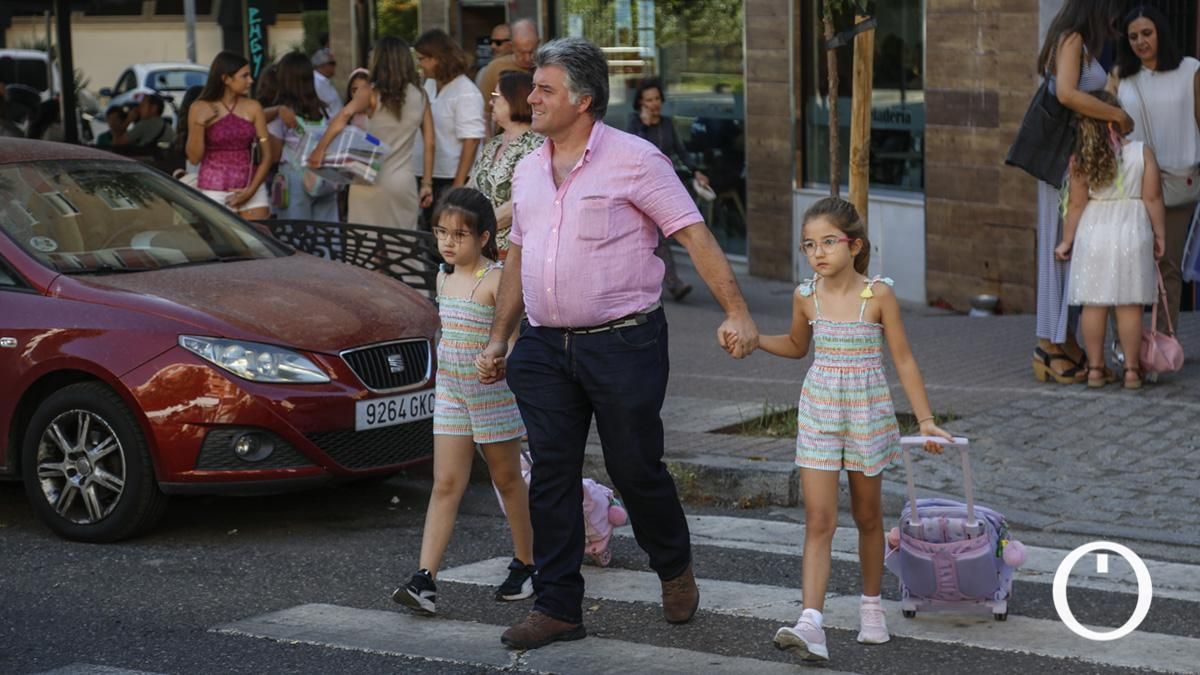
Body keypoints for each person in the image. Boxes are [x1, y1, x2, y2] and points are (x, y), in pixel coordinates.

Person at [475, 37, 759, 651]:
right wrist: (500, 337)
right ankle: (557, 607)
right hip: (545, 348)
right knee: (550, 475)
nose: (533, 98)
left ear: (584, 100)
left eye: (545, 89)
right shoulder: (527, 168)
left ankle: (673, 564)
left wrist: (737, 311)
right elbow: (518, 255)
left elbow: (693, 235)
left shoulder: (636, 160)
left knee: (635, 468)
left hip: (624, 342)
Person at [758, 197, 952, 662]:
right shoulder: (805, 295)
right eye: (809, 245)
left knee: (867, 517)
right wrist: (754, 341)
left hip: (867, 412)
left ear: (855, 244)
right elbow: (795, 345)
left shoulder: (878, 295)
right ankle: (811, 622)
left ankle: (871, 608)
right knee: (819, 519)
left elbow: (903, 358)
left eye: (828, 242)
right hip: (820, 412)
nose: (818, 252)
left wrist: (925, 420)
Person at [392, 187, 535, 616]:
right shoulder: (442, 276)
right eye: (441, 233)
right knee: (446, 483)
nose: (449, 242)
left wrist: (503, 359)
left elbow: (512, 339)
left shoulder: (497, 280)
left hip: (491, 395)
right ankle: (425, 580)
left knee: (508, 481)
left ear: (485, 237)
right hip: (451, 392)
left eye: (460, 234)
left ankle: (527, 563)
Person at [1030, 0, 1133, 385]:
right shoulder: (1072, 39)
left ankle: (1062, 338)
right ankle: (1047, 345)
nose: (1112, 20)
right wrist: (1117, 115)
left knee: (1068, 250)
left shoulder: (1080, 42)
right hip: (1062, 166)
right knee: (1060, 249)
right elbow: (1068, 95)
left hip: (1073, 162)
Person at [1055, 91, 1166, 389]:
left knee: (1094, 304)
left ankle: (1094, 370)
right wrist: (1160, 234)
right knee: (1128, 304)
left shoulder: (1083, 159)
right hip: (1132, 231)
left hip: (1095, 233)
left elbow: (1076, 205)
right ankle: (1131, 371)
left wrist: (1067, 241)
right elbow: (1153, 198)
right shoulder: (1142, 152)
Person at [1113, 5, 1200, 336]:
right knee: (1128, 265)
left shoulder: (1190, 69)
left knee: (1168, 267)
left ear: (1161, 32)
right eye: (1133, 36)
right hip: (1133, 182)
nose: (1140, 42)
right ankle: (1128, 347)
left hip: (1180, 179)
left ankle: (1164, 344)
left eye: (1146, 33)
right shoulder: (1121, 75)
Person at [310, 37, 435, 229]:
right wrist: (427, 183)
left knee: (365, 248)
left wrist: (320, 150)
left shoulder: (370, 92)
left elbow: (343, 116)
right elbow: (430, 142)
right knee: (403, 248)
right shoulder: (420, 94)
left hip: (367, 177)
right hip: (403, 182)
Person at [627, 78, 711, 301]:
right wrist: (644, 126)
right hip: (640, 188)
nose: (654, 104)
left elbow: (681, 152)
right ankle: (674, 283)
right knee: (659, 238)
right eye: (648, 100)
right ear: (640, 104)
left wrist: (696, 171)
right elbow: (633, 152)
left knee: (667, 233)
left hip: (664, 186)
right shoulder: (635, 124)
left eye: (656, 99)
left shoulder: (666, 124)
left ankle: (643, 279)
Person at [413, 29, 486, 229]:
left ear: (438, 58)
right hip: (427, 173)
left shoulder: (466, 92)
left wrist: (458, 185)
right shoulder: (428, 84)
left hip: (450, 177)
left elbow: (471, 141)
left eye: (423, 59)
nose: (419, 64)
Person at [187, 51, 272, 220]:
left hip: (252, 187)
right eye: (245, 76)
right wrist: (199, 124)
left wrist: (251, 191)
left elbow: (267, 155)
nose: (251, 81)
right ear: (226, 79)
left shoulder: (253, 107)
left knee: (260, 243)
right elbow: (194, 158)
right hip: (214, 189)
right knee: (223, 245)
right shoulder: (199, 107)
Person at [468, 71, 542, 260]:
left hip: (511, 253)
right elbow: (472, 186)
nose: (491, 102)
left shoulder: (536, 146)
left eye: (496, 96)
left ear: (514, 99)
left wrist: (475, 228)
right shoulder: (494, 143)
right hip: (480, 247)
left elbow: (517, 206)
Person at [267, 51, 337, 222]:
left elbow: (274, 155)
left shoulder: (283, 113)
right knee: (326, 236)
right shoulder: (324, 110)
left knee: (297, 238)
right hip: (325, 178)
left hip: (294, 180)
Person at [477, 19, 539, 133]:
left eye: (532, 52)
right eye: (521, 52)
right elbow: (485, 112)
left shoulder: (545, 67)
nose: (528, 58)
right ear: (512, 46)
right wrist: (489, 143)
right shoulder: (495, 69)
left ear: (539, 43)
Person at [109, 94, 176, 148]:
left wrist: (128, 120)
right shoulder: (165, 125)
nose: (139, 108)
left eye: (143, 105)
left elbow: (117, 144)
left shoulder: (146, 124)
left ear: (154, 108)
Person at [311, 47, 344, 117]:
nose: (335, 66)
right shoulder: (316, 83)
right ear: (321, 65)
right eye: (332, 63)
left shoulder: (324, 81)